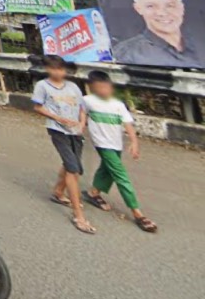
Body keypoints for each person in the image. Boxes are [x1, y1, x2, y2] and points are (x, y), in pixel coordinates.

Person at [82, 70, 157, 233]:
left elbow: (128, 124)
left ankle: (93, 193)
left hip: (116, 144)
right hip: (102, 144)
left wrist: (134, 142)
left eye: (106, 86)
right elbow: (80, 115)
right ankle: (137, 213)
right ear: (92, 88)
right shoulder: (87, 101)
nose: (104, 90)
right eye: (99, 87)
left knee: (107, 169)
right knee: (121, 176)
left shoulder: (118, 105)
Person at [31, 55, 93, 234]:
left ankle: (59, 192)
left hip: (75, 131)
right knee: (73, 169)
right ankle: (78, 215)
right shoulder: (42, 86)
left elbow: (82, 107)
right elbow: (38, 107)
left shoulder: (73, 86)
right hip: (58, 130)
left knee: (72, 164)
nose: (58, 72)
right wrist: (57, 117)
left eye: (61, 69)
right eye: (54, 69)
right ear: (48, 69)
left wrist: (82, 123)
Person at [112, 0, 200, 68]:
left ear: (181, 7)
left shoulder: (199, 43)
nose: (162, 13)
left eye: (170, 5)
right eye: (151, 6)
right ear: (138, 8)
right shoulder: (128, 55)